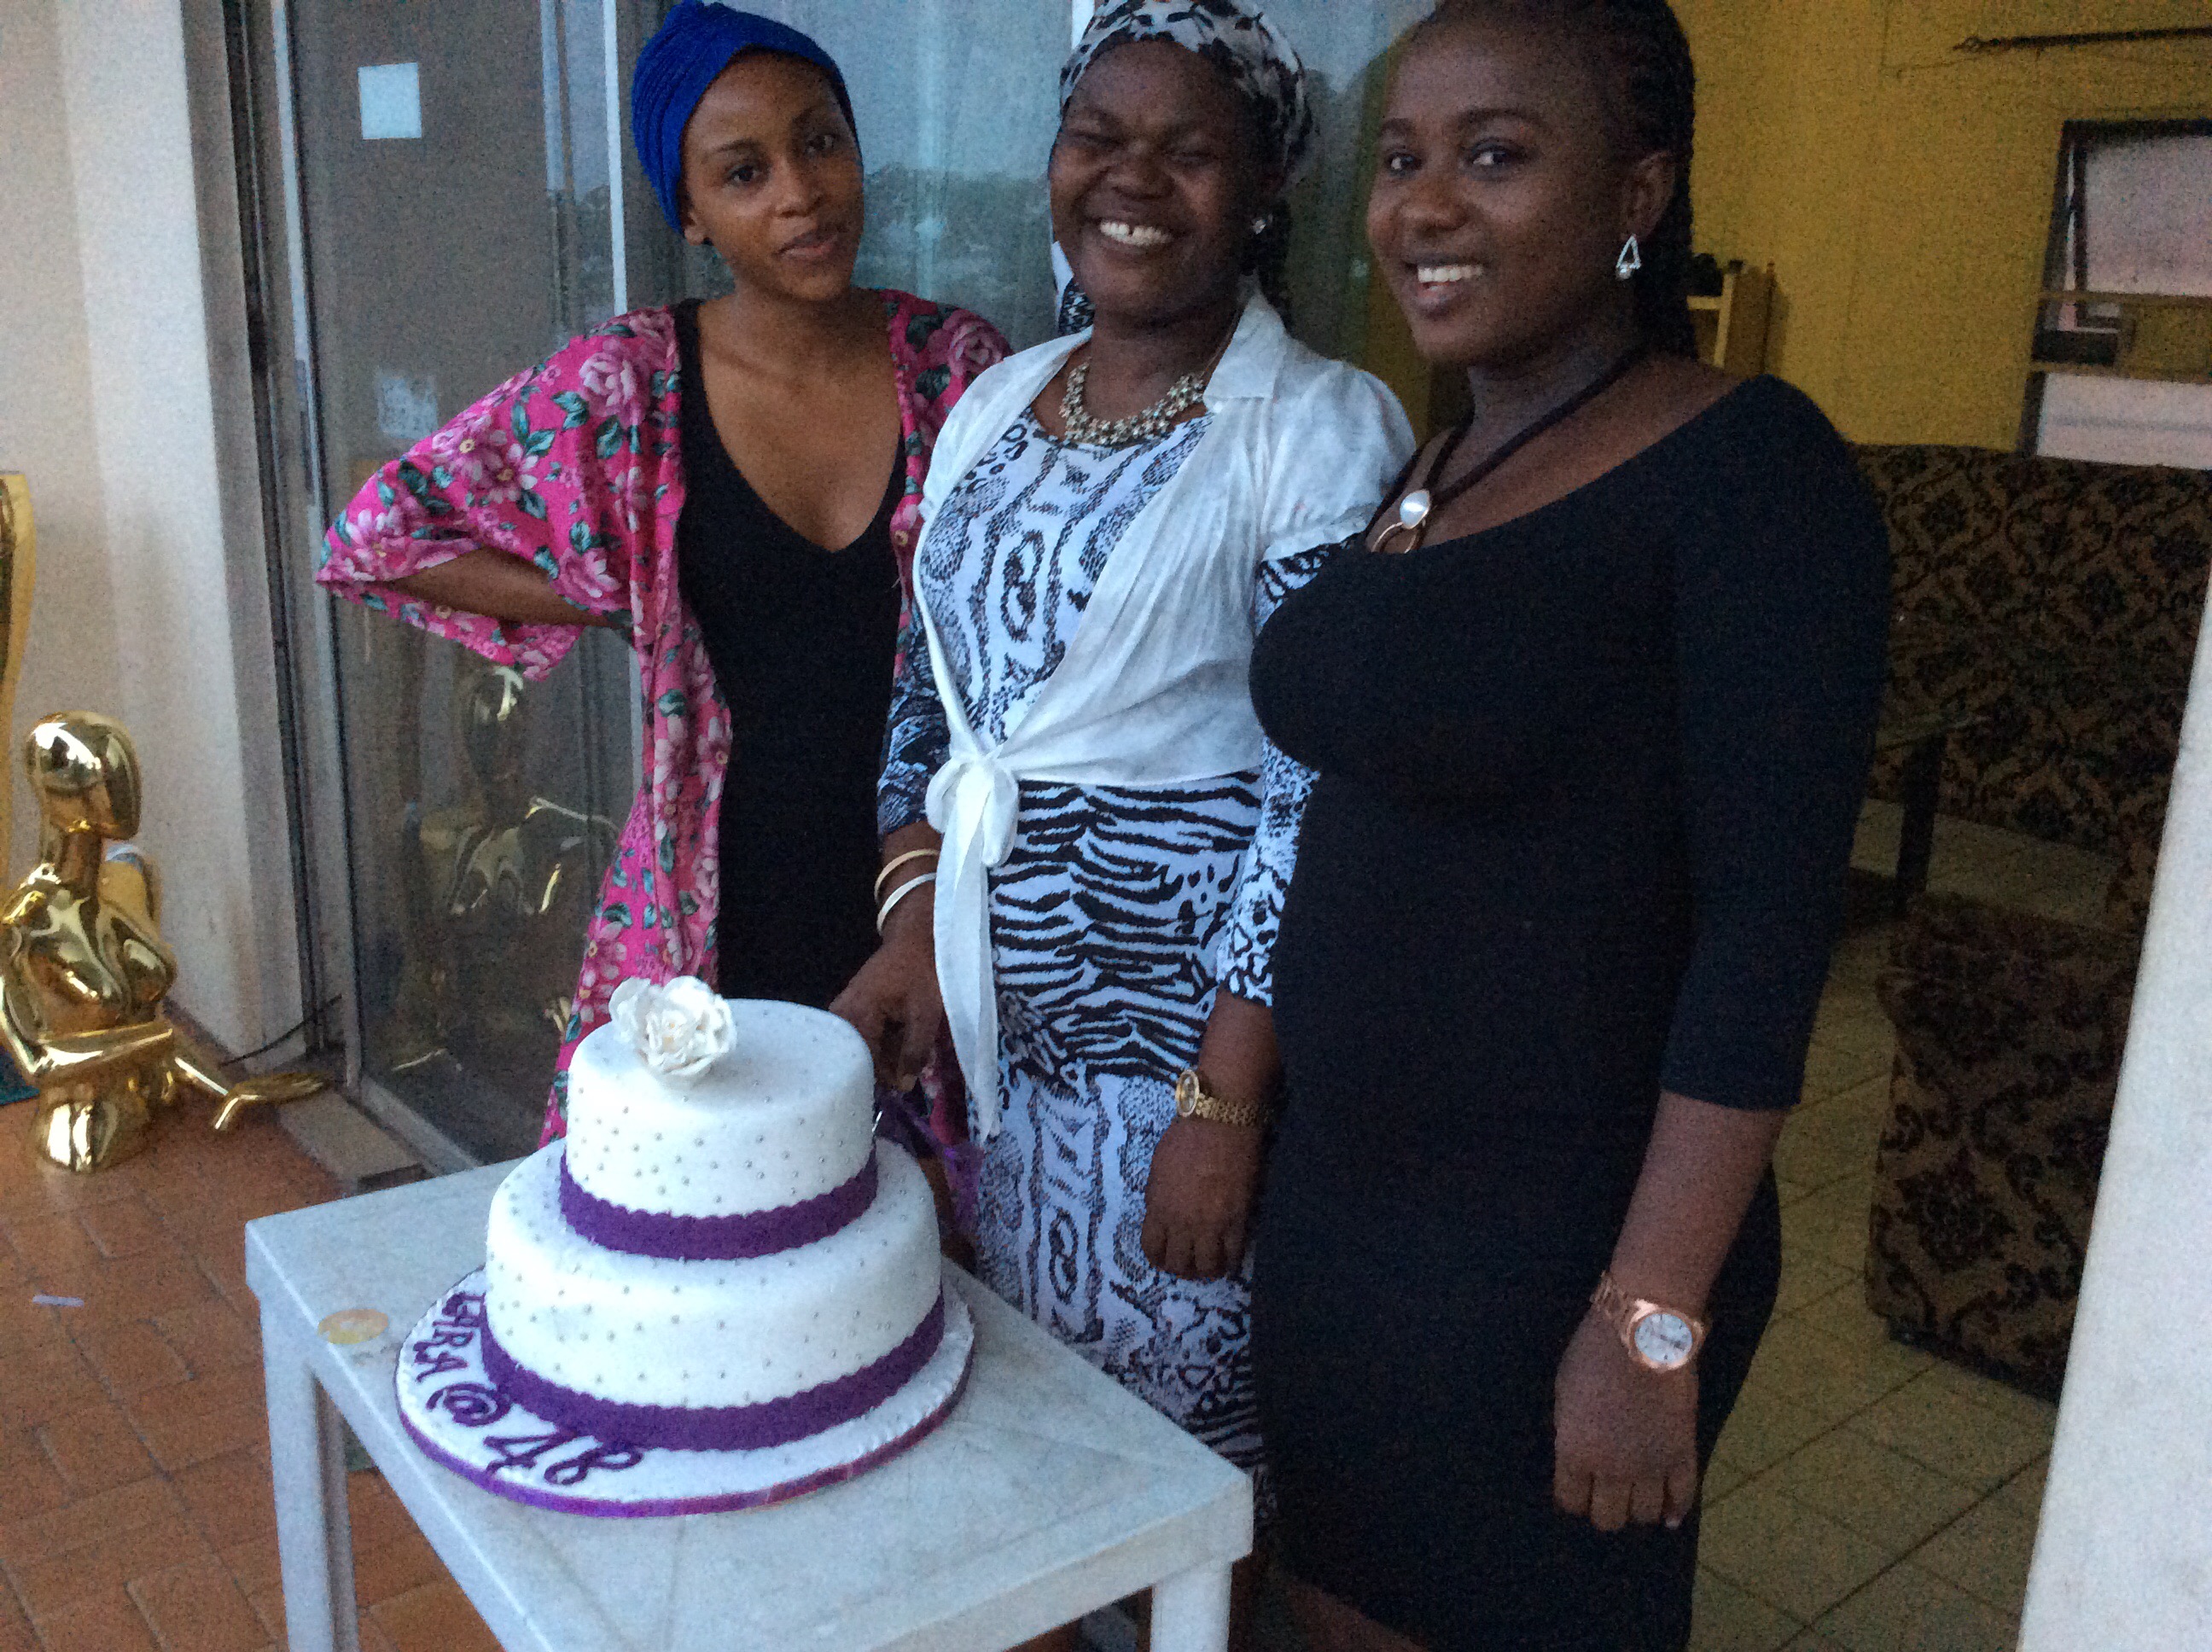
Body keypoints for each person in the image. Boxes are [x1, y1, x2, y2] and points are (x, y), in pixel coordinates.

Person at [1244, 2, 1890, 1648]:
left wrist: (1651, 1317)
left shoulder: (1752, 472)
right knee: (1331, 1607)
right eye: (1401, 159)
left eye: (1495, 156)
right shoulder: (1447, 462)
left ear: (1638, 192)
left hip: (1554, 1250)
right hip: (1344, 1214)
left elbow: (1763, 935)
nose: (1423, 207)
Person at [832, 0, 1410, 1609]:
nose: (1132, 179)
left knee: (1194, 1499)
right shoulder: (995, 406)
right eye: (1097, 136)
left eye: (1188, 149)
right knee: (1051, 1459)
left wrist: (1223, 1112)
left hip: (1185, 1080)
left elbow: (1313, 799)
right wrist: (911, 932)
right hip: (1012, 1075)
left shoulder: (1319, 430)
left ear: (1265, 188)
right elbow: (929, 703)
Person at [317, 3, 1005, 1143]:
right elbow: (386, 532)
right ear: (690, 213)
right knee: (710, 1191)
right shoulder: (633, 383)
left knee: (924, 1214)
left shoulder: (959, 369)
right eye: (745, 172)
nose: (800, 192)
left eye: (821, 142)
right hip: (714, 892)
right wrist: (625, 595)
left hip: (938, 885)